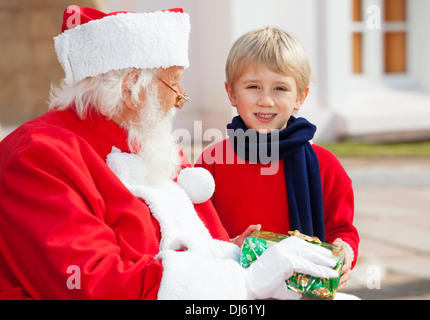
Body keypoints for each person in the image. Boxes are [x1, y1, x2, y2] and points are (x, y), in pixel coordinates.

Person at [0, 7, 340, 300]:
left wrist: (237, 253)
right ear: (132, 87)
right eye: (174, 82)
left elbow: (188, 245)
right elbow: (92, 284)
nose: (181, 97)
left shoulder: (149, 143)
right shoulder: (38, 157)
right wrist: (246, 281)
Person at [196, 27, 359, 291]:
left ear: (300, 97)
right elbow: (197, 232)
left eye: (280, 88)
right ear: (232, 93)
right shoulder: (214, 160)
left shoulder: (324, 164)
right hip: (235, 288)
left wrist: (344, 253)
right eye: (253, 87)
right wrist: (231, 246)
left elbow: (342, 229)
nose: (266, 100)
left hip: (303, 290)